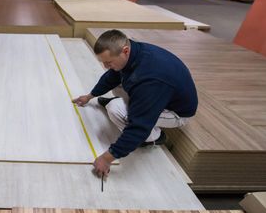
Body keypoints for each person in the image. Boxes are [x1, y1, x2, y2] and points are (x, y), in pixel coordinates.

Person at [73, 29, 198, 177]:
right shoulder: (133, 53)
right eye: (103, 62)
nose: (106, 66)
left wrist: (107, 158)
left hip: (176, 112)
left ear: (125, 50)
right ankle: (133, 106)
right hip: (159, 95)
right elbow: (111, 77)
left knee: (117, 111)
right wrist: (90, 96)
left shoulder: (149, 81)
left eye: (108, 62)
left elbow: (137, 127)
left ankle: (155, 137)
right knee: (118, 83)